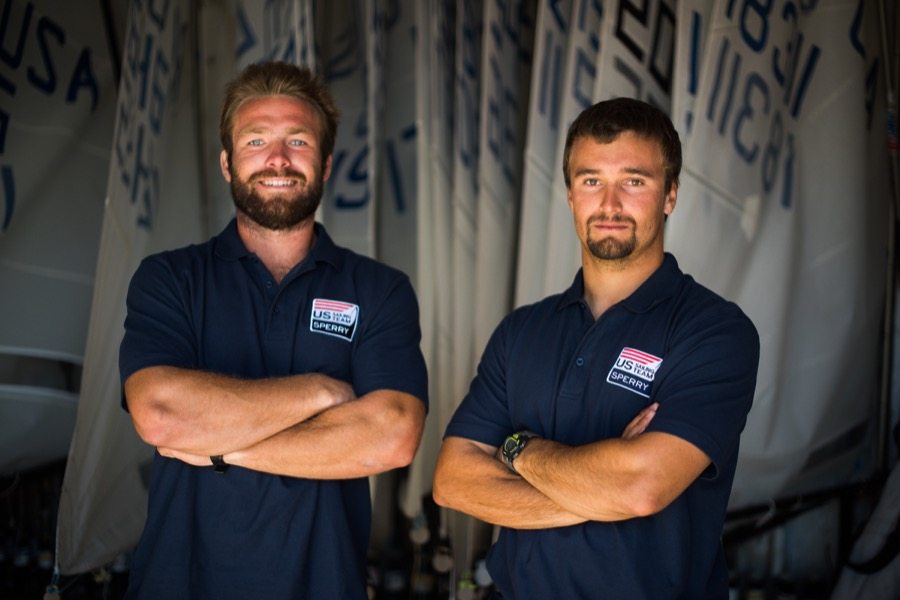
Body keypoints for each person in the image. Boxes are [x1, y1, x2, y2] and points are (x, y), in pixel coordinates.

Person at [119, 61, 428, 599]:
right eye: (256, 140)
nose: (277, 159)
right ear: (227, 163)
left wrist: (218, 447)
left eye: (298, 141)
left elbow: (393, 435)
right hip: (181, 585)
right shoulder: (170, 279)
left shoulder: (380, 290)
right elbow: (160, 413)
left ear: (327, 164)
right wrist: (321, 392)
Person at [432, 97, 759, 599]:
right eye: (591, 181)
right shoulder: (523, 331)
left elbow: (642, 486)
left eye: (634, 181)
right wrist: (604, 491)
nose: (610, 205)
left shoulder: (714, 332)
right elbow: (453, 480)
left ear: (669, 194)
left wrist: (517, 448)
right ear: (569, 194)